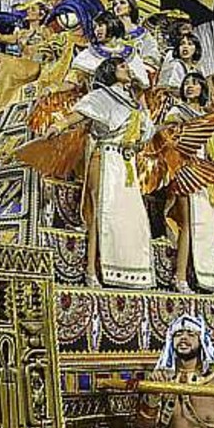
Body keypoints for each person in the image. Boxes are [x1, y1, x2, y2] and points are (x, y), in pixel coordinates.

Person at [61, 57, 155, 289]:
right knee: (99, 212)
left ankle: (126, 270)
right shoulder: (102, 96)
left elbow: (146, 132)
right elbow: (82, 114)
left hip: (126, 164)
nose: (127, 69)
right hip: (105, 157)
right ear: (110, 70)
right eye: (122, 66)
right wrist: (58, 125)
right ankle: (91, 270)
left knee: (130, 218)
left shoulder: (133, 103)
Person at [161, 73, 214, 293]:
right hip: (185, 168)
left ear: (202, 89)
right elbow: (168, 138)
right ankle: (179, 277)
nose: (190, 86)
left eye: (195, 83)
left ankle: (205, 277)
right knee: (187, 223)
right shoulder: (177, 112)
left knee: (206, 226)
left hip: (204, 174)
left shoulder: (207, 116)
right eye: (187, 83)